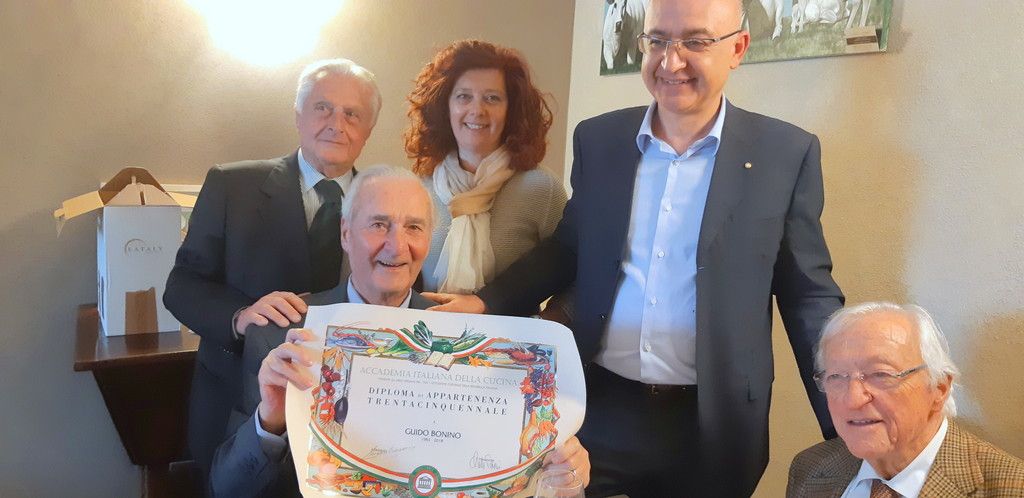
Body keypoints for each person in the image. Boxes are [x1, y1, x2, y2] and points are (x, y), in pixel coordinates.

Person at [427, 0, 845, 495]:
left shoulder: (783, 154)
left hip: (713, 424)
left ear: (738, 48)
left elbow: (806, 295)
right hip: (596, 407)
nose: (671, 61)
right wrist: (487, 301)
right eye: (658, 40)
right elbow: (569, 247)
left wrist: (845, 420)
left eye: (695, 41)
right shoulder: (600, 139)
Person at [209, 166, 590, 497]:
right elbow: (225, 489)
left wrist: (566, 476)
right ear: (345, 233)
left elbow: (522, 477)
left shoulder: (470, 343)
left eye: (414, 227)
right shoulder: (284, 338)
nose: (397, 245)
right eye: (379, 225)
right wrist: (270, 422)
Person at [163, 58, 381, 480]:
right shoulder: (233, 186)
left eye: (352, 114)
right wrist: (239, 316)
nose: (337, 124)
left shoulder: (383, 202)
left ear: (368, 129)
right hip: (240, 409)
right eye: (322, 108)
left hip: (351, 420)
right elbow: (181, 286)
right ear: (298, 115)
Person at [404, 39, 569, 318]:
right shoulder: (418, 187)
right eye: (463, 96)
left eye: (492, 98)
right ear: (445, 106)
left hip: (512, 342)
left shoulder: (541, 189)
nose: (477, 110)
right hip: (427, 335)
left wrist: (549, 323)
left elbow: (575, 270)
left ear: (511, 110)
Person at [788, 302, 1024, 498]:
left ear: (939, 388)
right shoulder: (809, 467)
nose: (853, 400)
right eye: (837, 377)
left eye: (881, 374)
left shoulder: (1012, 488)